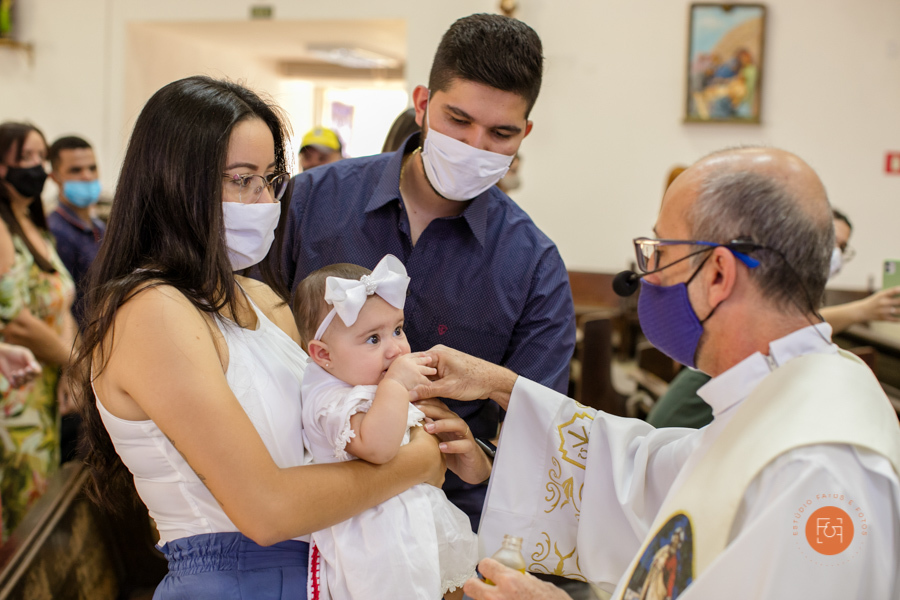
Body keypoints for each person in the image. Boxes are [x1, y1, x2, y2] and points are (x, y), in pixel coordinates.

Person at [411, 147, 900, 599]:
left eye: (660, 254)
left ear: (718, 275)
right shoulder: (789, 394)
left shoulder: (818, 467)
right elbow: (646, 477)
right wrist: (500, 386)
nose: (645, 276)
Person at [71, 76, 445, 599]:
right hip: (233, 578)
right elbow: (266, 510)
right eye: (240, 179)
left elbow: (329, 426)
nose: (263, 200)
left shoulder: (263, 300)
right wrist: (418, 462)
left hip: (322, 566)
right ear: (173, 182)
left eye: (270, 179)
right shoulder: (149, 310)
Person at [282, 13, 577, 531]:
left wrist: (482, 452)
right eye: (458, 121)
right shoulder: (312, 203)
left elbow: (539, 425)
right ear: (421, 103)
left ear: (525, 133)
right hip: (300, 506)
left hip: (448, 521)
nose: (475, 147)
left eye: (501, 133)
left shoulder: (532, 266)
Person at [294, 255, 477, 600]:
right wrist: (395, 387)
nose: (396, 349)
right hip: (378, 550)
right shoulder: (330, 400)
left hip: (419, 527)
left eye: (397, 329)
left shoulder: (374, 386)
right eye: (373, 340)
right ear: (323, 355)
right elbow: (377, 448)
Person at [649, 206, 900, 429]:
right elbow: (792, 327)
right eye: (830, 242)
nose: (834, 254)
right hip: (701, 401)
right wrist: (863, 310)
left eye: (842, 248)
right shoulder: (772, 285)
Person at [0, 121, 76, 539]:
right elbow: (15, 320)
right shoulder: (1, 227)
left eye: (40, 158)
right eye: (24, 157)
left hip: (45, 380)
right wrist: (76, 362)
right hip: (14, 388)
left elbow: (59, 305)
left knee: (43, 499)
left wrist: (67, 366)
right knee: (23, 509)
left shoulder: (34, 223)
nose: (36, 168)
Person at [47, 135, 106, 328]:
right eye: (76, 170)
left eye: (92, 168)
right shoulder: (55, 233)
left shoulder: (100, 228)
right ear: (55, 177)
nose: (87, 176)